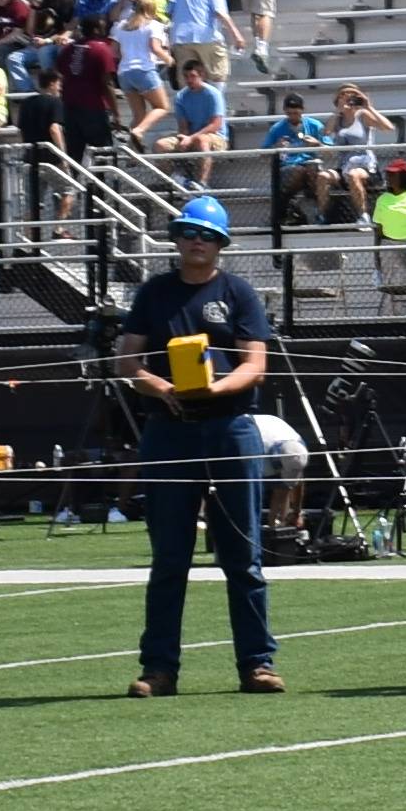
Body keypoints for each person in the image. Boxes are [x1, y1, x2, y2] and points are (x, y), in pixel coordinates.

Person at [118, 195, 283, 695]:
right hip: (169, 431)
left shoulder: (238, 293)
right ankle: (159, 669)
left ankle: (257, 663)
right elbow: (126, 361)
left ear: (221, 244)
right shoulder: (154, 293)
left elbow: (256, 364)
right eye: (189, 232)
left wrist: (215, 389)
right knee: (170, 558)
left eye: (207, 235)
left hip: (230, 427)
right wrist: (166, 390)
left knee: (244, 557)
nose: (196, 241)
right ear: (176, 238)